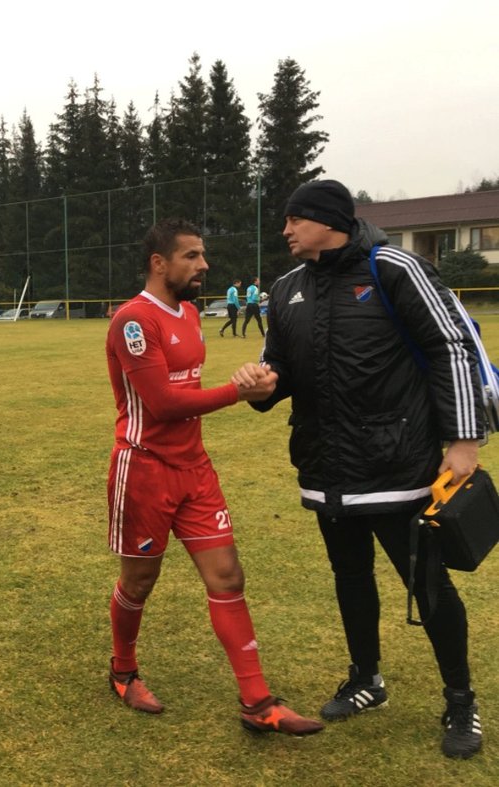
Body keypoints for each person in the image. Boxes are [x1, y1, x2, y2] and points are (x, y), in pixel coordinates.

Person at [240, 179, 484, 758]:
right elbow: (281, 368)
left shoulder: (393, 268)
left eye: (295, 219)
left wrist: (465, 440)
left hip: (399, 465)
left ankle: (461, 701)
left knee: (426, 584)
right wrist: (260, 385)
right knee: (349, 578)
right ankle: (366, 679)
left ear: (329, 220)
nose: (286, 230)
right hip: (326, 466)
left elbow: (451, 345)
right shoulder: (286, 288)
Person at [105, 218, 322, 736]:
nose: (204, 265)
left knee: (228, 578)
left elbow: (192, 386)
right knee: (139, 581)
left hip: (195, 470)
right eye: (192, 256)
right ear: (160, 263)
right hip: (144, 471)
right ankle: (123, 669)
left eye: (203, 255)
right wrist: (236, 392)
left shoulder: (187, 311)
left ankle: (257, 703)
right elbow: (160, 404)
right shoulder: (132, 321)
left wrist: (253, 376)